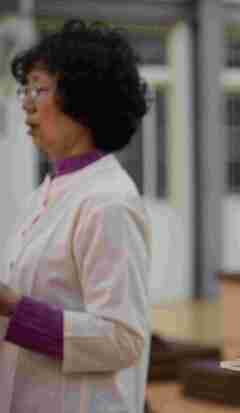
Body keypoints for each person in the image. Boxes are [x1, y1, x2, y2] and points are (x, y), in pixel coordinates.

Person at [0, 20, 151, 413]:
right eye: (24, 89)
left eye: (39, 89)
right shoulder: (43, 195)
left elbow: (123, 339)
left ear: (82, 100)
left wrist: (14, 308)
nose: (26, 103)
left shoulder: (109, 202)